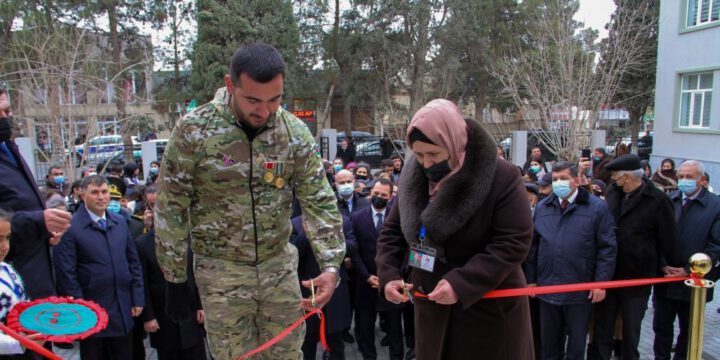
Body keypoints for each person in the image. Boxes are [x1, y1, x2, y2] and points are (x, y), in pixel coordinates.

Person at [154, 42, 345, 359]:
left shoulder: (292, 132)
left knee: (287, 353)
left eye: (275, 99)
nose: (264, 110)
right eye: (253, 100)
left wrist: (330, 265)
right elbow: (170, 206)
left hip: (278, 269)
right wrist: (174, 277)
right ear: (231, 85)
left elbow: (319, 199)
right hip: (221, 274)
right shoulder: (194, 131)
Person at [375, 99, 534, 359]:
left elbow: (513, 242)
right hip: (432, 311)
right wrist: (389, 274)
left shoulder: (500, 176)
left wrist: (462, 283)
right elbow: (392, 233)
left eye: (434, 155)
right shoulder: (412, 178)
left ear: (454, 143)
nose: (427, 164)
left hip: (487, 312)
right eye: (419, 155)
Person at [526, 161, 617, 360]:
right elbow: (533, 247)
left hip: (579, 289)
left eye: (563, 179)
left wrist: (600, 283)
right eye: (555, 179)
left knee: (576, 346)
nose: (559, 183)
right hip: (547, 288)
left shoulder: (597, 208)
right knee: (549, 346)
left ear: (575, 180)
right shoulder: (543, 207)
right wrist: (531, 280)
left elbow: (607, 248)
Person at [589, 154, 677, 360]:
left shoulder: (657, 199)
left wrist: (659, 262)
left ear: (627, 177)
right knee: (603, 329)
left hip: (637, 277)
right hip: (609, 274)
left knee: (630, 331)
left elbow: (668, 238)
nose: (612, 180)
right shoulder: (614, 193)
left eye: (615, 176)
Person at [53, 175, 144, 360]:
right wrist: (82, 310)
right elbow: (67, 274)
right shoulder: (71, 227)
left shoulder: (119, 223)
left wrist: (137, 297)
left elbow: (133, 262)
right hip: (92, 313)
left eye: (104, 192)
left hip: (122, 308)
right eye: (95, 192)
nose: (101, 197)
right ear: (82, 195)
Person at [0, 87, 71, 301]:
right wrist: (39, 221)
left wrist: (46, 229)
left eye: (8, 111)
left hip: (36, 276)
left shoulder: (9, 148)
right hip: (11, 290)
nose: (5, 118)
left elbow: (17, 205)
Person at [653, 160, 720, 360]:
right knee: (661, 328)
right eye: (681, 176)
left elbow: (716, 245)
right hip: (665, 279)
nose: (683, 181)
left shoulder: (715, 206)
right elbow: (656, 235)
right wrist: (662, 264)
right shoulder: (668, 200)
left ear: (702, 180)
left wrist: (687, 270)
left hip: (694, 284)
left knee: (689, 331)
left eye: (689, 177)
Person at [136, 209, 207, 360]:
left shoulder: (187, 239)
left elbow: (196, 274)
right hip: (162, 315)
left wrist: (201, 305)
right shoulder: (142, 244)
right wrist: (148, 317)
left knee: (195, 351)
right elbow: (142, 283)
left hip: (190, 312)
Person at [351, 179, 406, 360]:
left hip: (392, 283)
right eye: (376, 193)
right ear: (370, 193)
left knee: (395, 329)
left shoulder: (399, 218)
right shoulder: (357, 217)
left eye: (384, 195)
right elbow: (354, 251)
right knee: (365, 329)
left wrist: (393, 276)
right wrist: (366, 276)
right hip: (366, 284)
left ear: (391, 197)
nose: (379, 197)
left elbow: (405, 250)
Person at [291, 214, 356, 360]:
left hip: (335, 289)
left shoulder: (342, 220)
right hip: (307, 291)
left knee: (336, 342)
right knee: (307, 343)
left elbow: (353, 247)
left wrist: (334, 235)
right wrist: (305, 232)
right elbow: (293, 255)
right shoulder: (294, 223)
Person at [0, 208, 47, 357]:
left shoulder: (7, 270)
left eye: (7, 238)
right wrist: (17, 344)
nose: (5, 246)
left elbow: (23, 306)